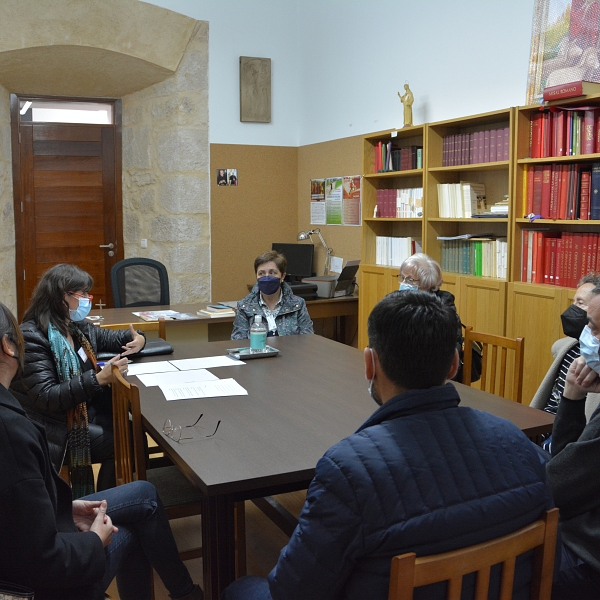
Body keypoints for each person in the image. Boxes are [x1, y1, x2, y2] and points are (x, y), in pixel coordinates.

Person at [221, 291, 553, 600]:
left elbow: (292, 593)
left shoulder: (347, 473)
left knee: (241, 588)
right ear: (453, 365)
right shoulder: (523, 447)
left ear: (370, 364)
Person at [0, 302, 203, 600]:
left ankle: (187, 594)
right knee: (130, 529)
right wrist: (95, 541)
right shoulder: (10, 432)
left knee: (144, 493)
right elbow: (43, 560)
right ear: (9, 346)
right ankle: (188, 594)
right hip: (36, 586)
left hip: (31, 545)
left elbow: (14, 509)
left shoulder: (76, 330)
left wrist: (63, 508)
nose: (86, 299)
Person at [10, 264, 146, 496]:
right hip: (51, 426)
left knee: (134, 431)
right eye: (81, 294)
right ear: (59, 296)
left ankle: (123, 496)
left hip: (78, 410)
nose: (86, 300)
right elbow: (47, 397)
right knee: (122, 441)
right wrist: (98, 379)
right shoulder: (33, 337)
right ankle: (107, 505)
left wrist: (140, 339)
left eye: (87, 294)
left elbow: (117, 338)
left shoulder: (76, 328)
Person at [547, 285, 600, 599]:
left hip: (587, 563)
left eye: (594, 328)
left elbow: (555, 487)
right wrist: (573, 395)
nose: (588, 337)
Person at [530, 273, 600, 452]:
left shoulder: (595, 359)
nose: (572, 309)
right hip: (543, 426)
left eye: (580, 303)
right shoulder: (568, 347)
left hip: (565, 436)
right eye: (573, 301)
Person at [398, 252, 481, 383]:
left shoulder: (443, 311)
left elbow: (433, 355)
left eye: (409, 280)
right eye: (401, 278)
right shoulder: (400, 303)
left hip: (437, 379)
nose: (403, 284)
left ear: (427, 284)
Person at [231, 251, 314, 340]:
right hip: (257, 352)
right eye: (261, 273)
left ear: (282, 276)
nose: (266, 277)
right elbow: (238, 342)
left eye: (272, 272)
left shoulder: (297, 304)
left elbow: (307, 339)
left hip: (291, 353)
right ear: (256, 276)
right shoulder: (245, 306)